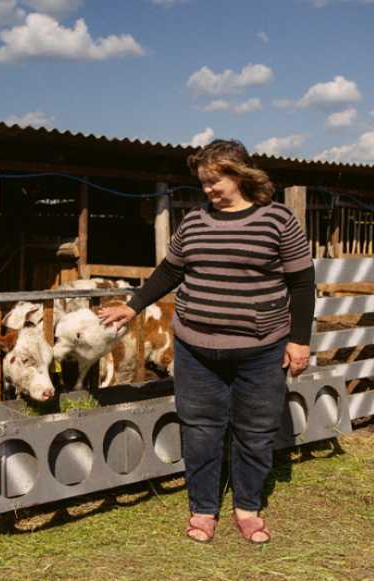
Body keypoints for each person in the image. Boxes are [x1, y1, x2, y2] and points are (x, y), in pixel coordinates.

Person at [99, 139, 315, 544]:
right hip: (196, 348)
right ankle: (203, 508)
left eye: (215, 180)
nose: (208, 189)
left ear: (240, 175)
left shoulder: (278, 219)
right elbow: (170, 271)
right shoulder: (195, 221)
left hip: (260, 348)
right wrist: (132, 306)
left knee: (256, 430)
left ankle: (247, 506)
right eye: (203, 182)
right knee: (200, 429)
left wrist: (299, 340)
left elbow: (302, 283)